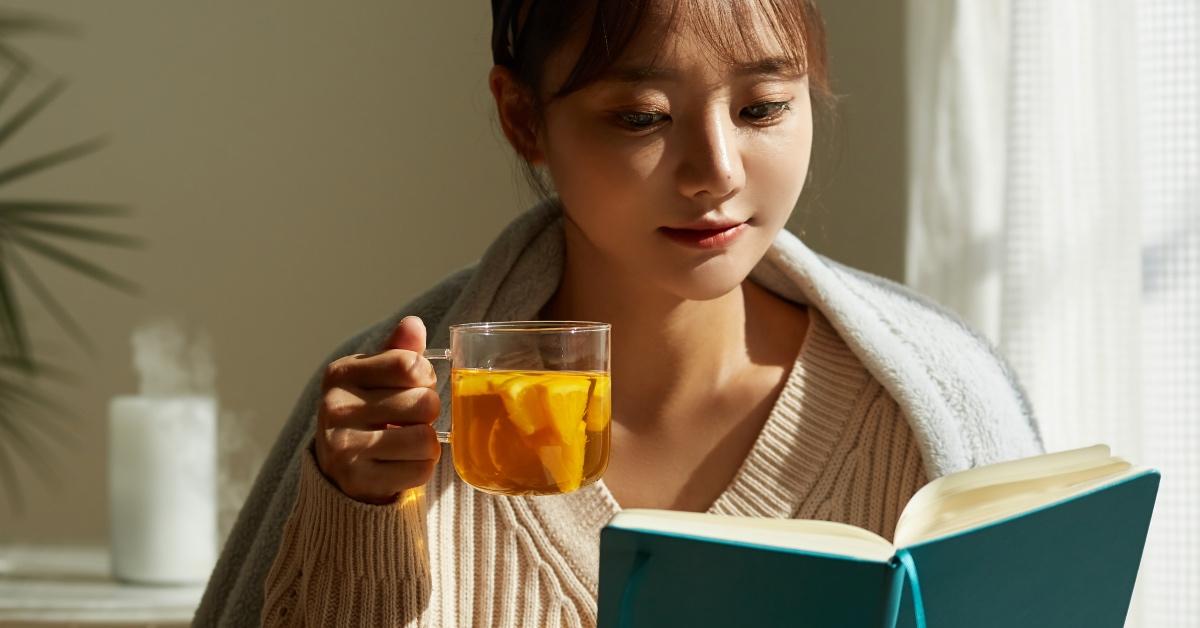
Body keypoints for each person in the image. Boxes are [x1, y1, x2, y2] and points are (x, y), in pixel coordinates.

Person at [193, 1, 1044, 626]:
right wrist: (354, 519)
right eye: (643, 118)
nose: (716, 170)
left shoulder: (928, 406)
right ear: (524, 118)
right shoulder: (386, 421)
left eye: (763, 109)